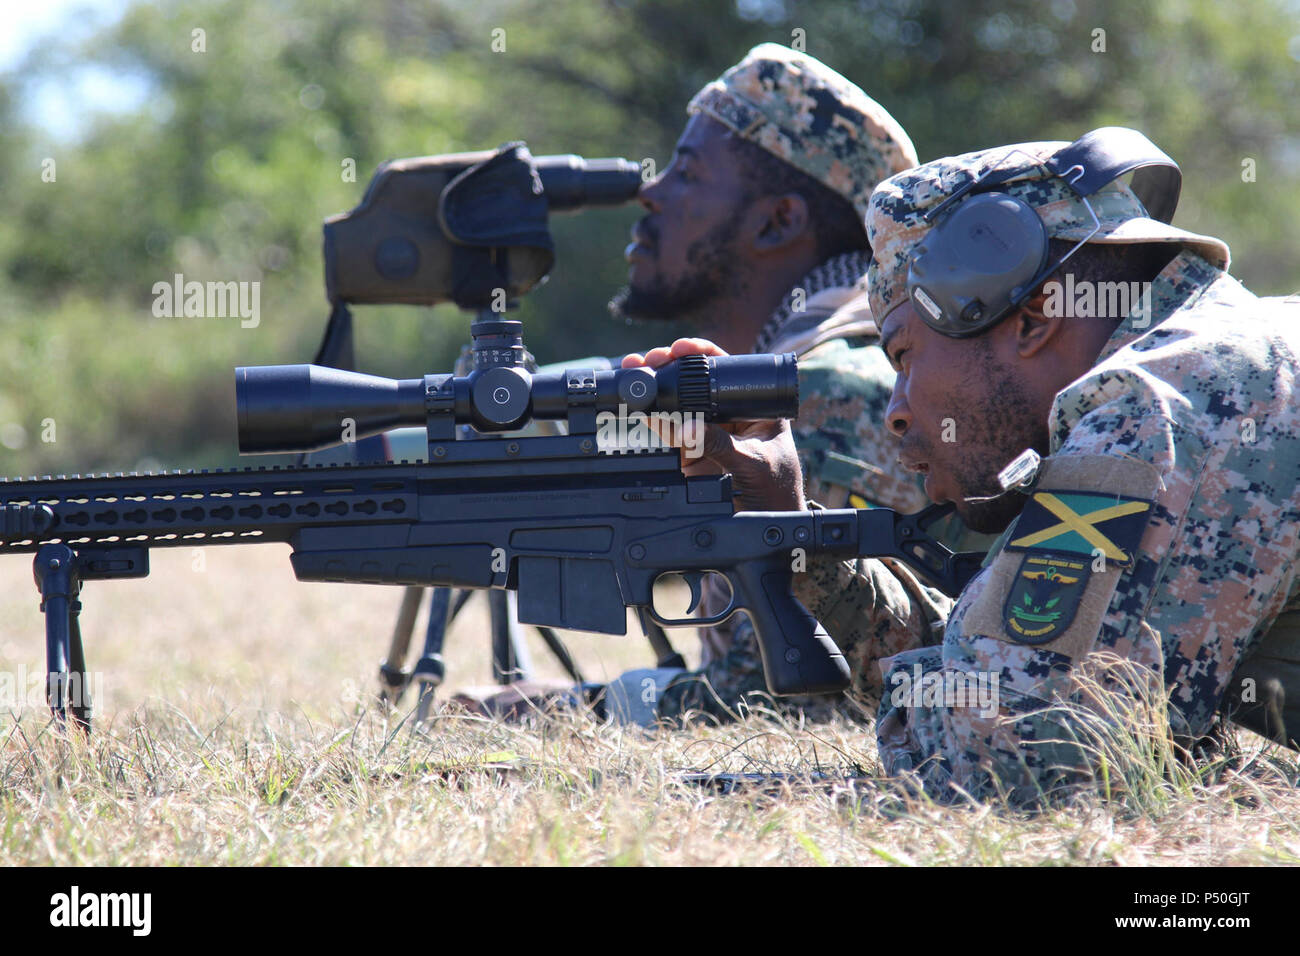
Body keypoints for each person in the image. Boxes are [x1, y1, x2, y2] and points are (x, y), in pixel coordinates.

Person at [626, 133, 1300, 802]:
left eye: (903, 356)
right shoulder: (1216, 370)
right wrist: (787, 524)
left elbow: (1015, 761)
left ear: (1031, 317)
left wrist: (695, 795)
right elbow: (1010, 668)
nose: (896, 411)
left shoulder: (1163, 403)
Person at [600, 43, 974, 725]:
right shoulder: (837, 357)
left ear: (778, 221)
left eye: (685, 174)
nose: (650, 192)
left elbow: (774, 697)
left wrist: (557, 707)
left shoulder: (818, 391)